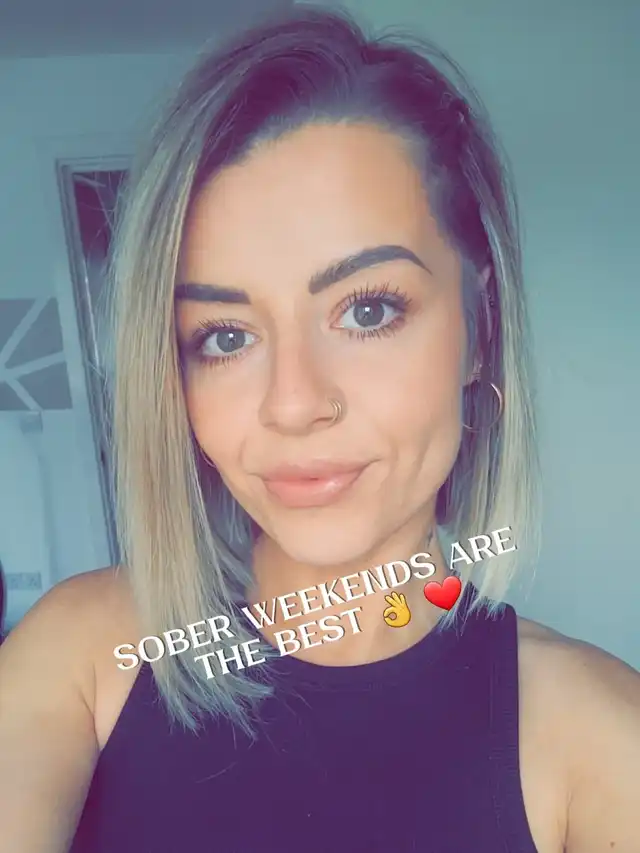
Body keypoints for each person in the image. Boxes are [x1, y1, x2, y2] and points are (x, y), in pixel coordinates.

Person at [0, 6, 638, 853]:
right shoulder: (81, 652)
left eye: (368, 310)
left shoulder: (602, 736)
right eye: (225, 336)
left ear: (480, 328)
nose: (294, 403)